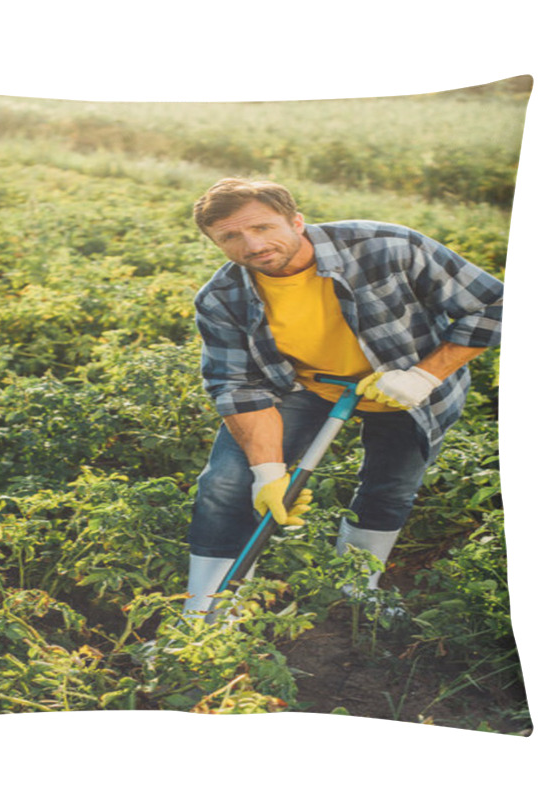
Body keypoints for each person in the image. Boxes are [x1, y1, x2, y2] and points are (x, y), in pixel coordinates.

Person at [182, 177, 503, 617]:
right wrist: (268, 471)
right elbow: (237, 387)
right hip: (303, 386)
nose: (251, 245)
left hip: (408, 385)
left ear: (297, 221)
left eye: (261, 227)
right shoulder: (222, 299)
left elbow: (494, 306)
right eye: (230, 237)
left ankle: (355, 587)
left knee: (390, 486)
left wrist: (424, 376)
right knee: (226, 484)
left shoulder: (387, 246)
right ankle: (210, 610)